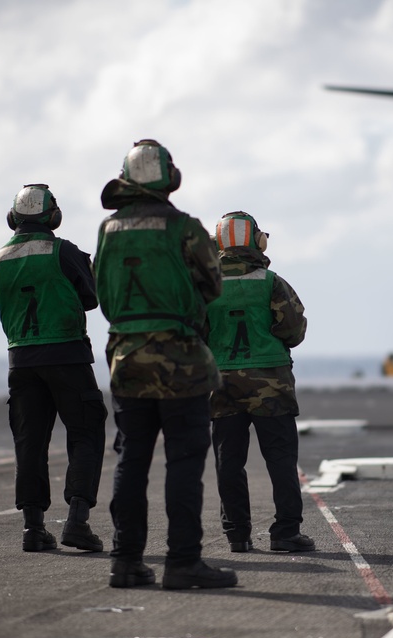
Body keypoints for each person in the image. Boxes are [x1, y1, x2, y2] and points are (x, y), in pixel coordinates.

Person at [93, 139, 237, 590]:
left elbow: (101, 293)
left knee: (131, 461)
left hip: (126, 359)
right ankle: (183, 562)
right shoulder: (185, 228)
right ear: (169, 179)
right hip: (181, 360)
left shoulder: (107, 230)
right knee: (184, 462)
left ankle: (126, 561)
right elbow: (213, 285)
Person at [0, 184, 107, 553]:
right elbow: (90, 298)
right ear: (53, 217)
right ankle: (77, 521)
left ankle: (33, 528)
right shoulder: (64, 251)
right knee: (86, 433)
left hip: (21, 361)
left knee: (29, 443)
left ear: (14, 219)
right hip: (68, 355)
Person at [206, 211, 314, 554]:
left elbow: (193, 333)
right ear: (256, 241)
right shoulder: (272, 282)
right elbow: (293, 331)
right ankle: (285, 533)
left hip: (222, 383)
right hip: (271, 382)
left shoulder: (205, 286)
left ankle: (237, 534)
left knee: (229, 459)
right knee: (281, 459)